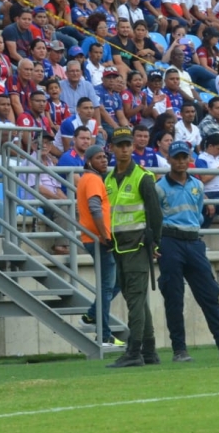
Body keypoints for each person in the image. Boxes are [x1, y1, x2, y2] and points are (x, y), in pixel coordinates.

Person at [155, 141, 219, 362]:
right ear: (169, 159)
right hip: (169, 242)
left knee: (210, 295)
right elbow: (153, 216)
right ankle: (179, 350)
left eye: (184, 157)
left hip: (193, 242)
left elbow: (197, 214)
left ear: (189, 159)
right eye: (176, 157)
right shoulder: (159, 187)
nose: (180, 162)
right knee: (173, 296)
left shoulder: (197, 186)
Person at [105, 127, 164, 368]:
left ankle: (134, 351)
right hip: (119, 247)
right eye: (120, 145)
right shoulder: (108, 179)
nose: (125, 148)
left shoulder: (143, 177)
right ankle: (149, 351)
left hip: (138, 245)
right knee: (137, 299)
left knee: (135, 300)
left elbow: (155, 213)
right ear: (112, 148)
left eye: (128, 144)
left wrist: (155, 242)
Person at [77, 144, 121, 346]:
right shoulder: (93, 179)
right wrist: (105, 235)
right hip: (98, 239)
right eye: (99, 157)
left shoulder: (89, 178)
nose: (104, 160)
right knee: (106, 286)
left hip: (95, 238)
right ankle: (104, 336)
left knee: (117, 280)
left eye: (105, 157)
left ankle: (91, 316)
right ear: (89, 161)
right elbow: (95, 208)